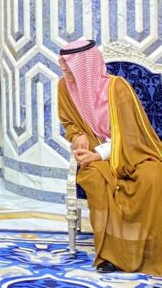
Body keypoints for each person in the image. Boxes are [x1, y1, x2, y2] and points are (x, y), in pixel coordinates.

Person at [57, 39, 162, 275]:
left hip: (130, 152)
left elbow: (131, 136)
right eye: (63, 65)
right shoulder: (64, 88)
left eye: (69, 66)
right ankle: (109, 255)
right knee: (96, 181)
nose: (65, 71)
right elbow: (69, 122)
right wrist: (78, 137)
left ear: (85, 66)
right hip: (95, 157)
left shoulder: (117, 88)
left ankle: (148, 250)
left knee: (154, 176)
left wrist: (97, 154)